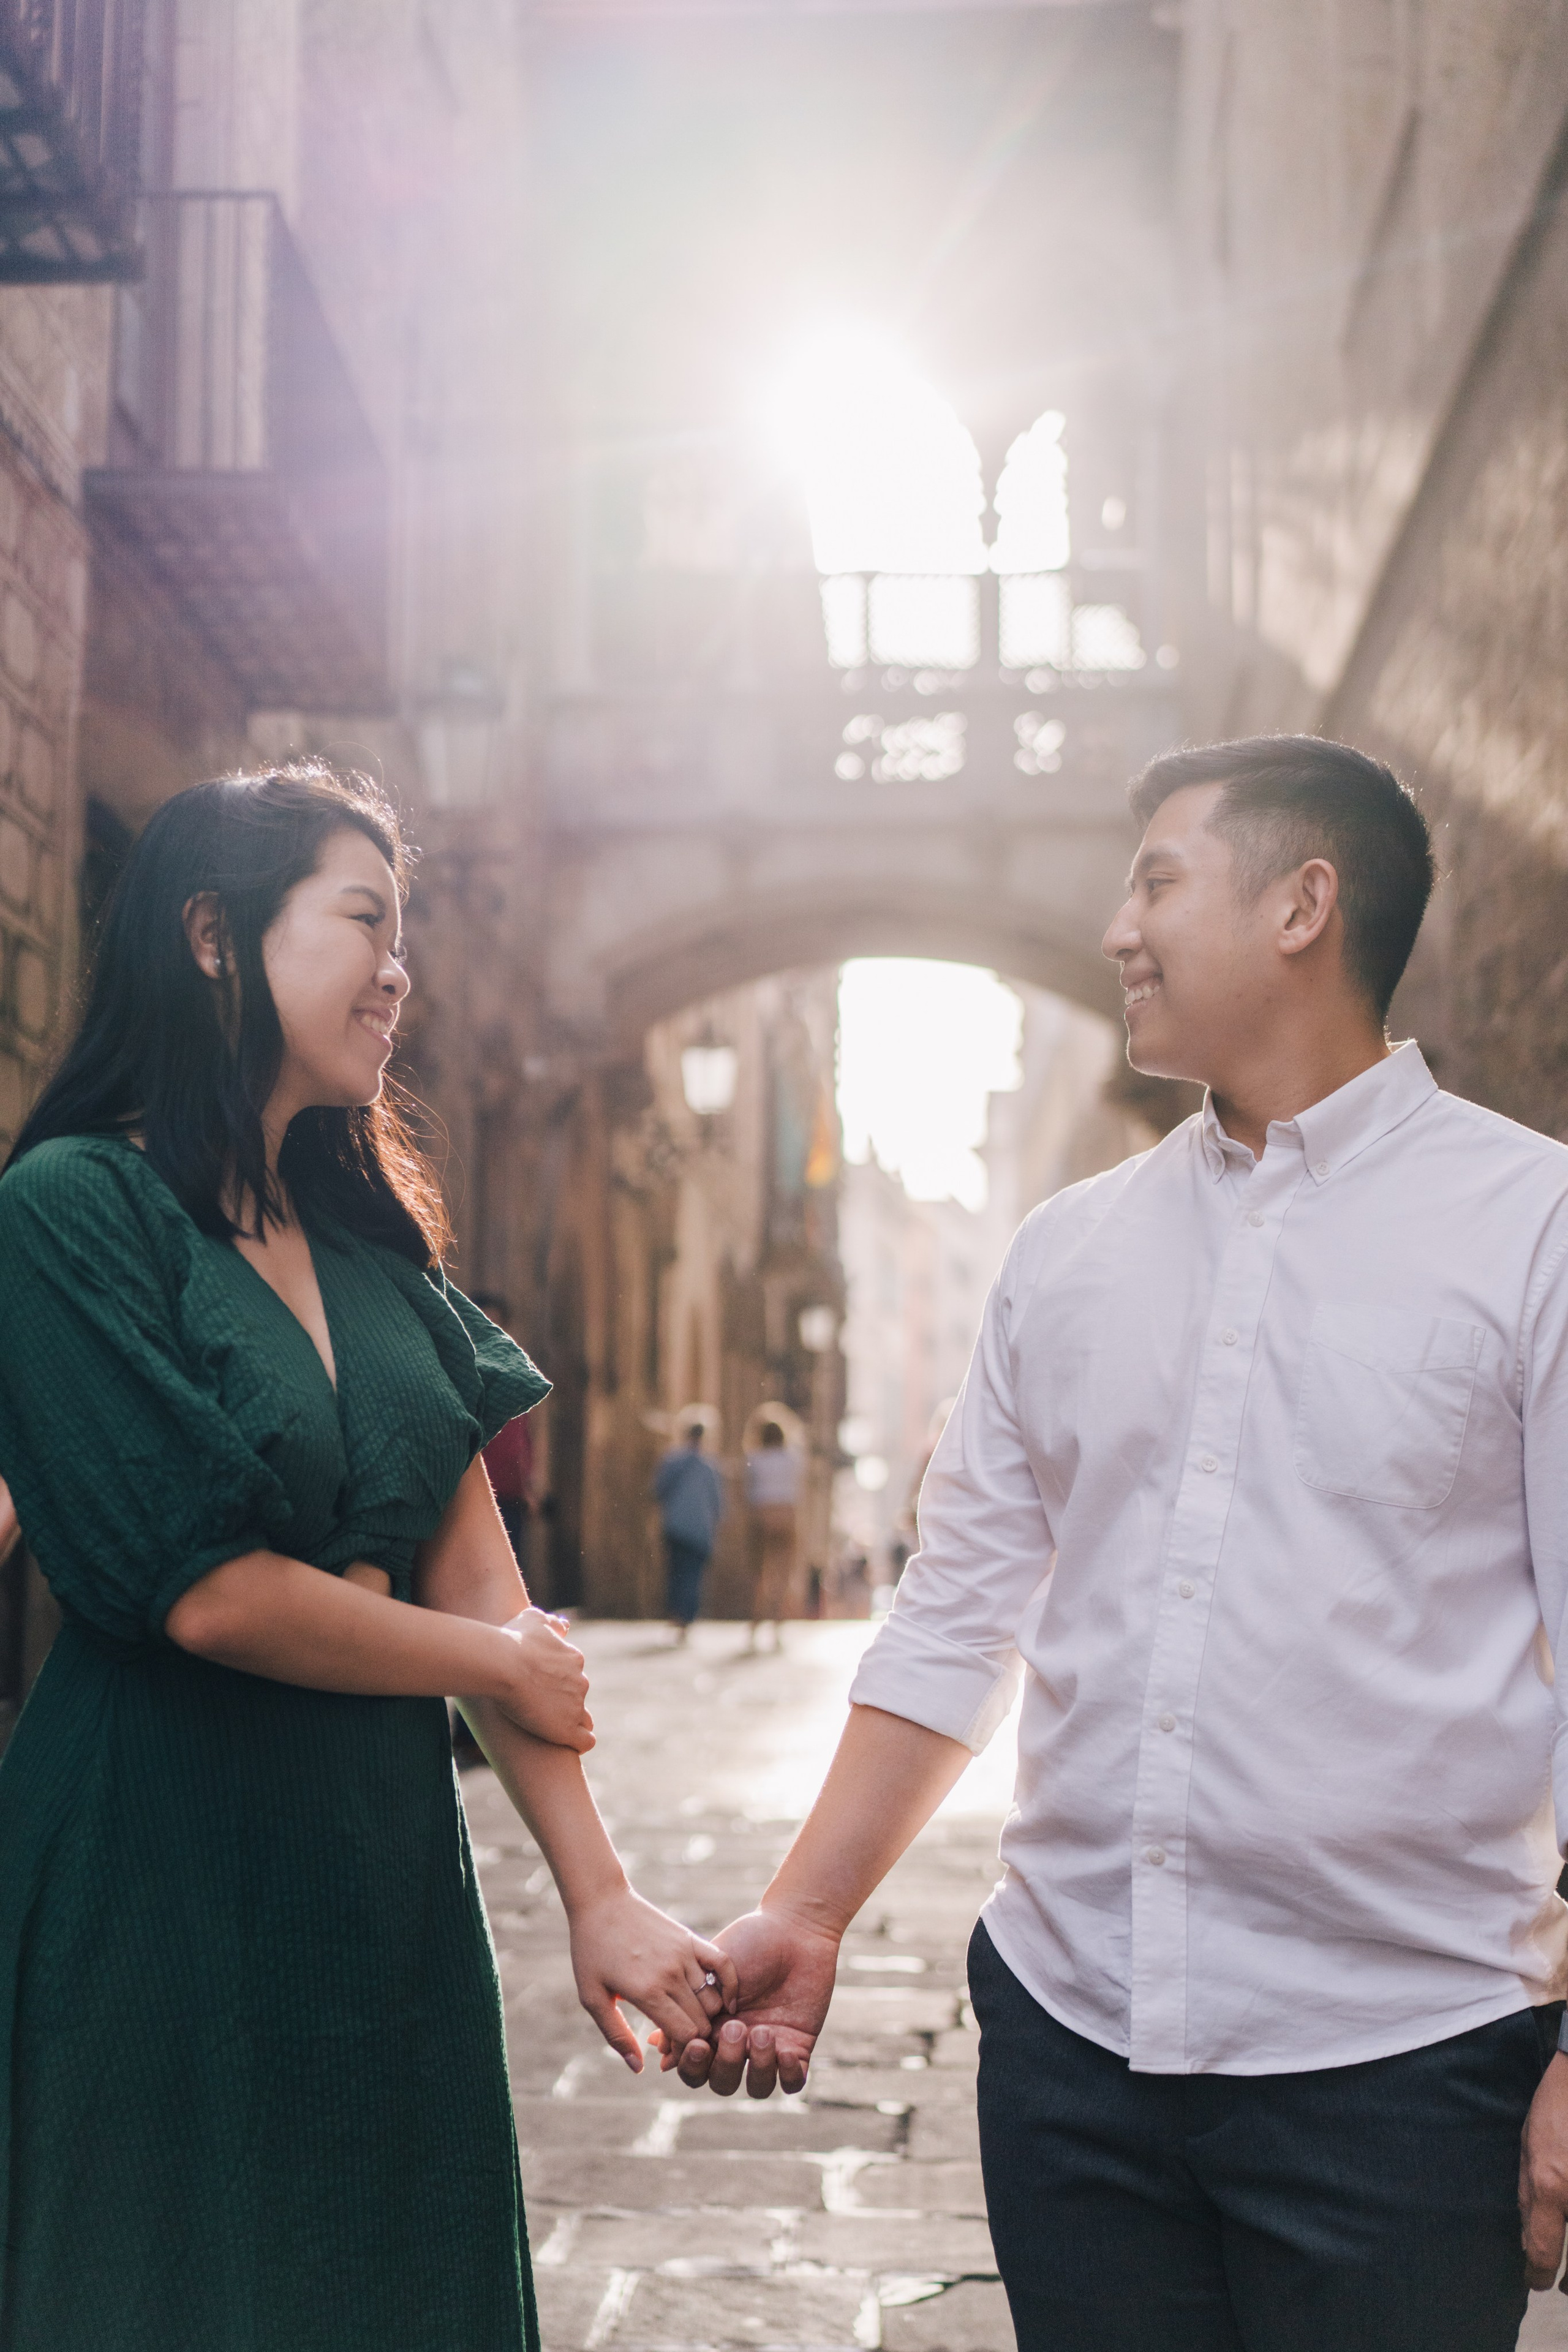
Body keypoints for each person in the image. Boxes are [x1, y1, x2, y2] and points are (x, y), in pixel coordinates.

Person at [671, 734, 1568, 2351]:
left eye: (1157, 879)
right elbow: (955, 1621)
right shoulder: (1065, 1256)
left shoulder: (1535, 1232)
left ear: (1306, 903)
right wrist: (807, 1915)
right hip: (1075, 2054)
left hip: (1406, 2069)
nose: (1116, 930)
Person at [0, 764, 735, 2352]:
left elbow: (479, 1576)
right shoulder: (73, 1209)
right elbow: (203, 1592)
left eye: (405, 931)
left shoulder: (374, 1246)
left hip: (387, 1890)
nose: (400, 970)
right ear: (212, 935)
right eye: (363, 921)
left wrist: (599, 1896)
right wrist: (485, 1663)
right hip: (155, 1875)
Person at [654, 1414, 723, 1642]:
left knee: (676, 1572)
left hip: (676, 1525)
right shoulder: (710, 1466)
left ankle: (677, 1613)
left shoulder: (673, 1462)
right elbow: (717, 1502)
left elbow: (659, 1490)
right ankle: (686, 1617)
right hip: (700, 1529)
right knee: (693, 1575)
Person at [744, 1414, 802, 1649]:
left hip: (762, 1517)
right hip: (786, 1517)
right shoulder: (793, 1459)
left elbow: (749, 1491)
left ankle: (756, 1621)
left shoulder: (755, 1459)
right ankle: (777, 1622)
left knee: (759, 1573)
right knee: (782, 1573)